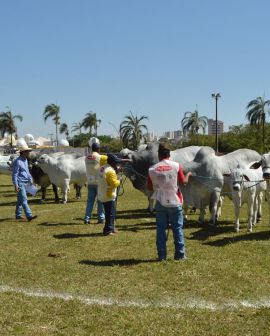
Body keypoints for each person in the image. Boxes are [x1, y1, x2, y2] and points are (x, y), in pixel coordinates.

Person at [147, 143, 192, 261]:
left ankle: (161, 255)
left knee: (161, 229)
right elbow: (184, 182)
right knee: (177, 229)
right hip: (175, 202)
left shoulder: (152, 169)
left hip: (160, 202)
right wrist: (188, 175)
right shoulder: (176, 166)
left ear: (159, 155)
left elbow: (150, 187)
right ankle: (180, 255)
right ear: (169, 154)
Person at [97, 154, 129, 236]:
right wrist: (119, 180)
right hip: (108, 194)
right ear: (112, 163)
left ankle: (111, 228)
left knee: (109, 213)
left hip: (102, 193)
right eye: (115, 162)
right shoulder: (110, 171)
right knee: (110, 213)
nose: (117, 164)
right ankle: (108, 230)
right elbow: (114, 184)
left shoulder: (102, 168)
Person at [12, 144, 37, 221]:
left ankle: (18, 215)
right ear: (23, 152)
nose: (29, 153)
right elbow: (14, 174)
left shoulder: (25, 160)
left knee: (20, 200)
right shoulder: (17, 161)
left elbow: (27, 171)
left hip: (26, 182)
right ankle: (29, 216)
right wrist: (16, 185)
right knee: (24, 199)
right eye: (28, 152)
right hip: (20, 183)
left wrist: (31, 180)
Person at [84, 142, 107, 224]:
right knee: (100, 201)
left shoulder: (86, 157)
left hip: (90, 182)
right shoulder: (101, 157)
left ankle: (87, 218)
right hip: (99, 182)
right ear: (98, 149)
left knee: (90, 202)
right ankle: (101, 218)